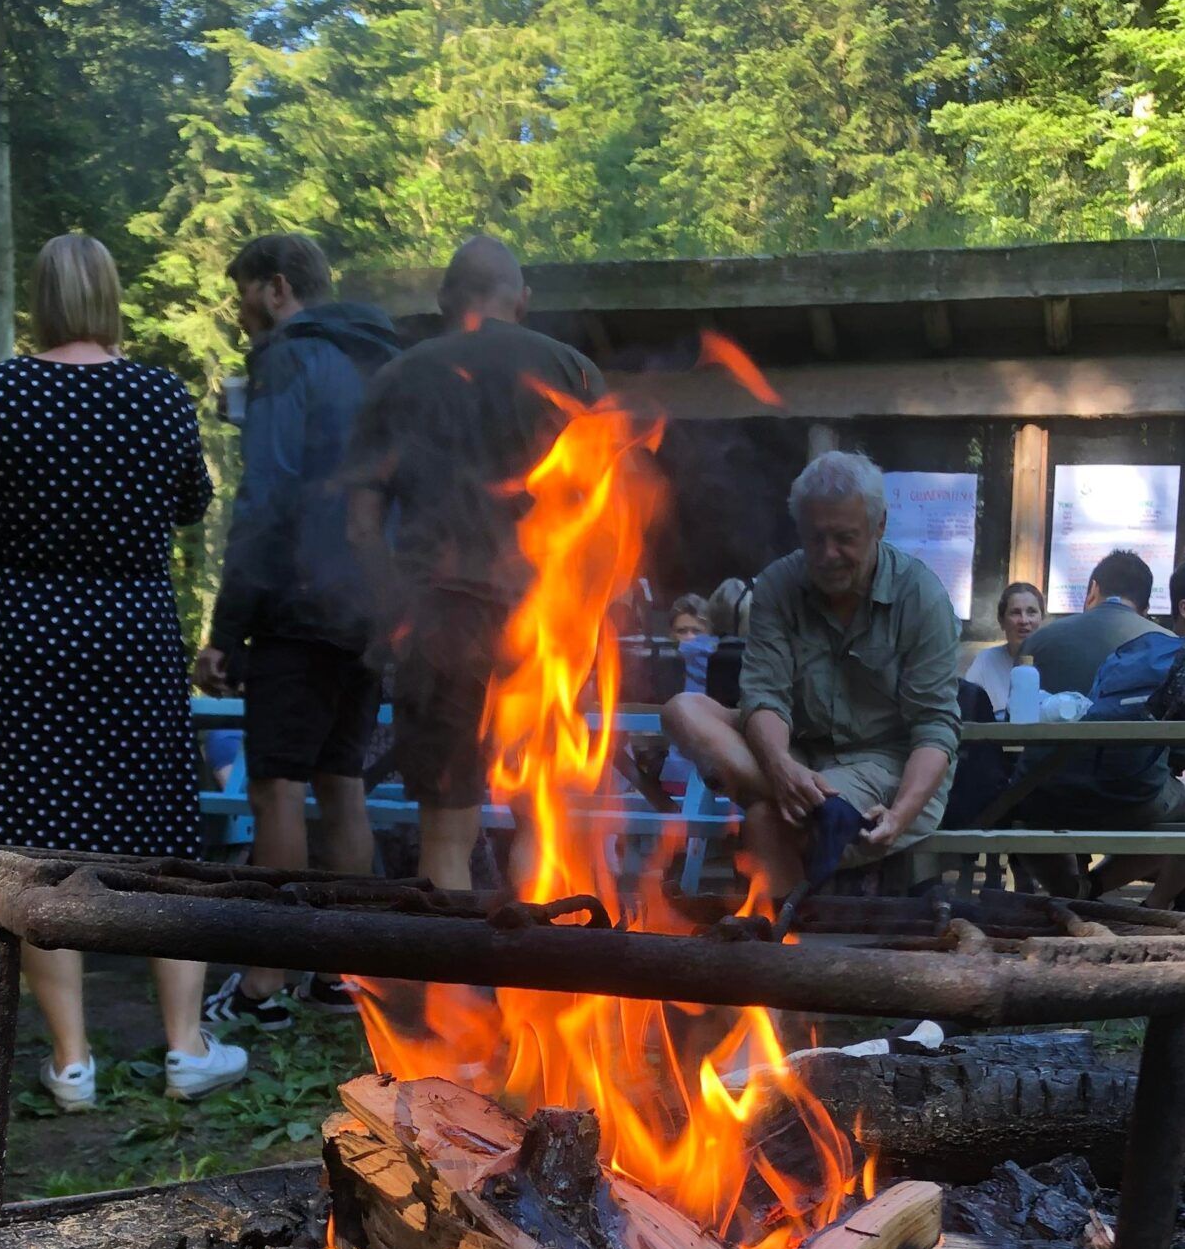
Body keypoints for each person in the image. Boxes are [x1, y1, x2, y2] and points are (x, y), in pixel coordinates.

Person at [0, 232, 246, 1111]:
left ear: (40, 298)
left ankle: (72, 1064)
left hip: (29, 628)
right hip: (133, 628)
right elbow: (190, 502)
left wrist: (20, 545)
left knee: (33, 845)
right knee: (161, 838)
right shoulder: (157, 393)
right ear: (108, 298)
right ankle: (185, 1049)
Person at [347, 234, 603, 891]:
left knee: (447, 828)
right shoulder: (571, 371)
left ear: (443, 300)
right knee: (541, 816)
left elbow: (361, 525)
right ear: (523, 299)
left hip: (437, 624)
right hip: (543, 623)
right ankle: (538, 984)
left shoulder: (397, 379)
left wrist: (397, 615)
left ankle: (450, 992)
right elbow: (608, 519)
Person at [198, 232, 400, 1028]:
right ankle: (347, 975)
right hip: (369, 606)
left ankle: (263, 983)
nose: (240, 313)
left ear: (277, 288)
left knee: (277, 780)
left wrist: (227, 625)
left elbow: (268, 494)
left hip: (300, 598)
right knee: (341, 778)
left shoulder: (288, 356)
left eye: (244, 294)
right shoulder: (381, 358)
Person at [661, 451, 960, 900]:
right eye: (815, 538)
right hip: (793, 750)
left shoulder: (921, 596)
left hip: (885, 764)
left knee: (765, 816)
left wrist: (899, 814)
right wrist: (781, 768)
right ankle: (821, 817)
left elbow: (935, 728)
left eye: (845, 538)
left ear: (879, 526)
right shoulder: (778, 586)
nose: (828, 555)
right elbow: (765, 697)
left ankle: (778, 939)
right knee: (683, 710)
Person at [1007, 557, 1185, 909]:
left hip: (1045, 794)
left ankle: (1069, 890)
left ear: (1093, 589)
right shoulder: (1168, 645)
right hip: (1133, 799)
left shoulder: (1040, 641)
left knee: (1027, 808)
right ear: (1144, 604)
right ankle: (1107, 890)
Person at [1027, 550, 1165, 696]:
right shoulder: (1174, 647)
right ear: (1146, 610)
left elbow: (1016, 710)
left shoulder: (1039, 641)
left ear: (1093, 591)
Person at [962, 581, 1044, 714]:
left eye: (1031, 612)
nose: (1024, 620)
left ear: (1041, 618)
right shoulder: (986, 660)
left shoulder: (1053, 659)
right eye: (1015, 613)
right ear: (1002, 621)